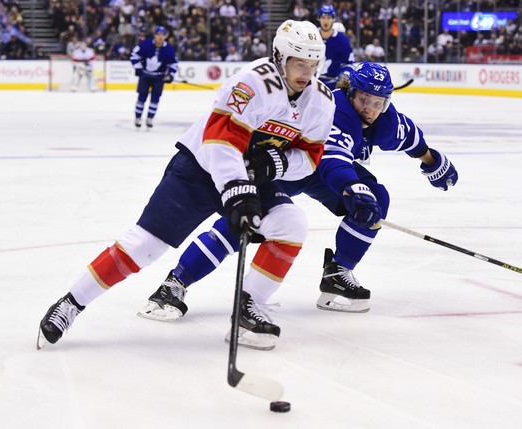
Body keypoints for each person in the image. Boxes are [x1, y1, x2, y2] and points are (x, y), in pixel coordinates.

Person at [37, 19, 333, 352]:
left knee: (291, 224)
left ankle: (248, 308)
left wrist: (274, 164)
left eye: (312, 64)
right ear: (280, 57)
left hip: (251, 177)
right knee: (143, 247)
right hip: (199, 169)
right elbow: (220, 141)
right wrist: (237, 189)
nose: (306, 72)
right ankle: (71, 303)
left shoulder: (321, 101)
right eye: (298, 63)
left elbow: (310, 156)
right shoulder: (252, 83)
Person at [138, 62, 458, 323]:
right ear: (350, 92)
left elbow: (411, 139)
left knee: (377, 197)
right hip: (292, 164)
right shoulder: (337, 111)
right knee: (247, 218)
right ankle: (176, 281)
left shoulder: (385, 121)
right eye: (363, 100)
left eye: (378, 103)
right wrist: (352, 187)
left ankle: (338, 273)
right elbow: (331, 159)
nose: (370, 109)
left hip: (324, 170)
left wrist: (432, 162)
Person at [130, 26, 179, 129]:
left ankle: (150, 118)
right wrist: (138, 68)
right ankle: (138, 118)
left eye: (162, 35)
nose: (160, 37)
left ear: (165, 36)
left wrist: (170, 75)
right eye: (158, 34)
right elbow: (134, 55)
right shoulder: (145, 44)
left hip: (159, 78)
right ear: (154, 35)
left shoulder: (169, 49)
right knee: (141, 98)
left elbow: (173, 64)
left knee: (155, 99)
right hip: (145, 75)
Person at [316, 4, 355, 90]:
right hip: (311, 84)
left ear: (333, 19)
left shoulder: (342, 40)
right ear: (319, 18)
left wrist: (345, 74)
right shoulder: (311, 35)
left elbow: (349, 64)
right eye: (323, 17)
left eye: (329, 17)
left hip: (332, 86)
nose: (326, 21)